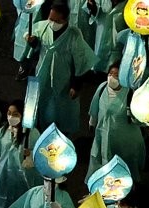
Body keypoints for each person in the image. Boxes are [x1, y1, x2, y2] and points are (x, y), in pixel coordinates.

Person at [24, 3, 97, 134]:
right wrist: (33, 42)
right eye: (50, 19)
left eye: (56, 21)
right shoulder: (42, 27)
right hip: (42, 75)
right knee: (42, 106)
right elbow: (37, 47)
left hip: (64, 80)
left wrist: (76, 85)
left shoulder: (74, 35)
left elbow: (81, 61)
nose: (51, 23)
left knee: (61, 111)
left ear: (64, 20)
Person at [0, 100, 40, 208]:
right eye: (9, 113)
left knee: (21, 204)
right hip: (2, 175)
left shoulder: (32, 133)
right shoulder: (2, 132)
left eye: (15, 114)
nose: (11, 117)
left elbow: (40, 154)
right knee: (1, 204)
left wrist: (30, 155)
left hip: (22, 176)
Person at [88, 65, 146, 180]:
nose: (112, 77)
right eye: (110, 74)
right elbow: (95, 107)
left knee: (124, 163)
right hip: (103, 134)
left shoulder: (130, 93)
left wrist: (134, 115)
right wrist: (92, 122)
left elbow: (140, 119)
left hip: (125, 140)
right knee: (102, 159)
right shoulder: (102, 88)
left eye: (116, 75)